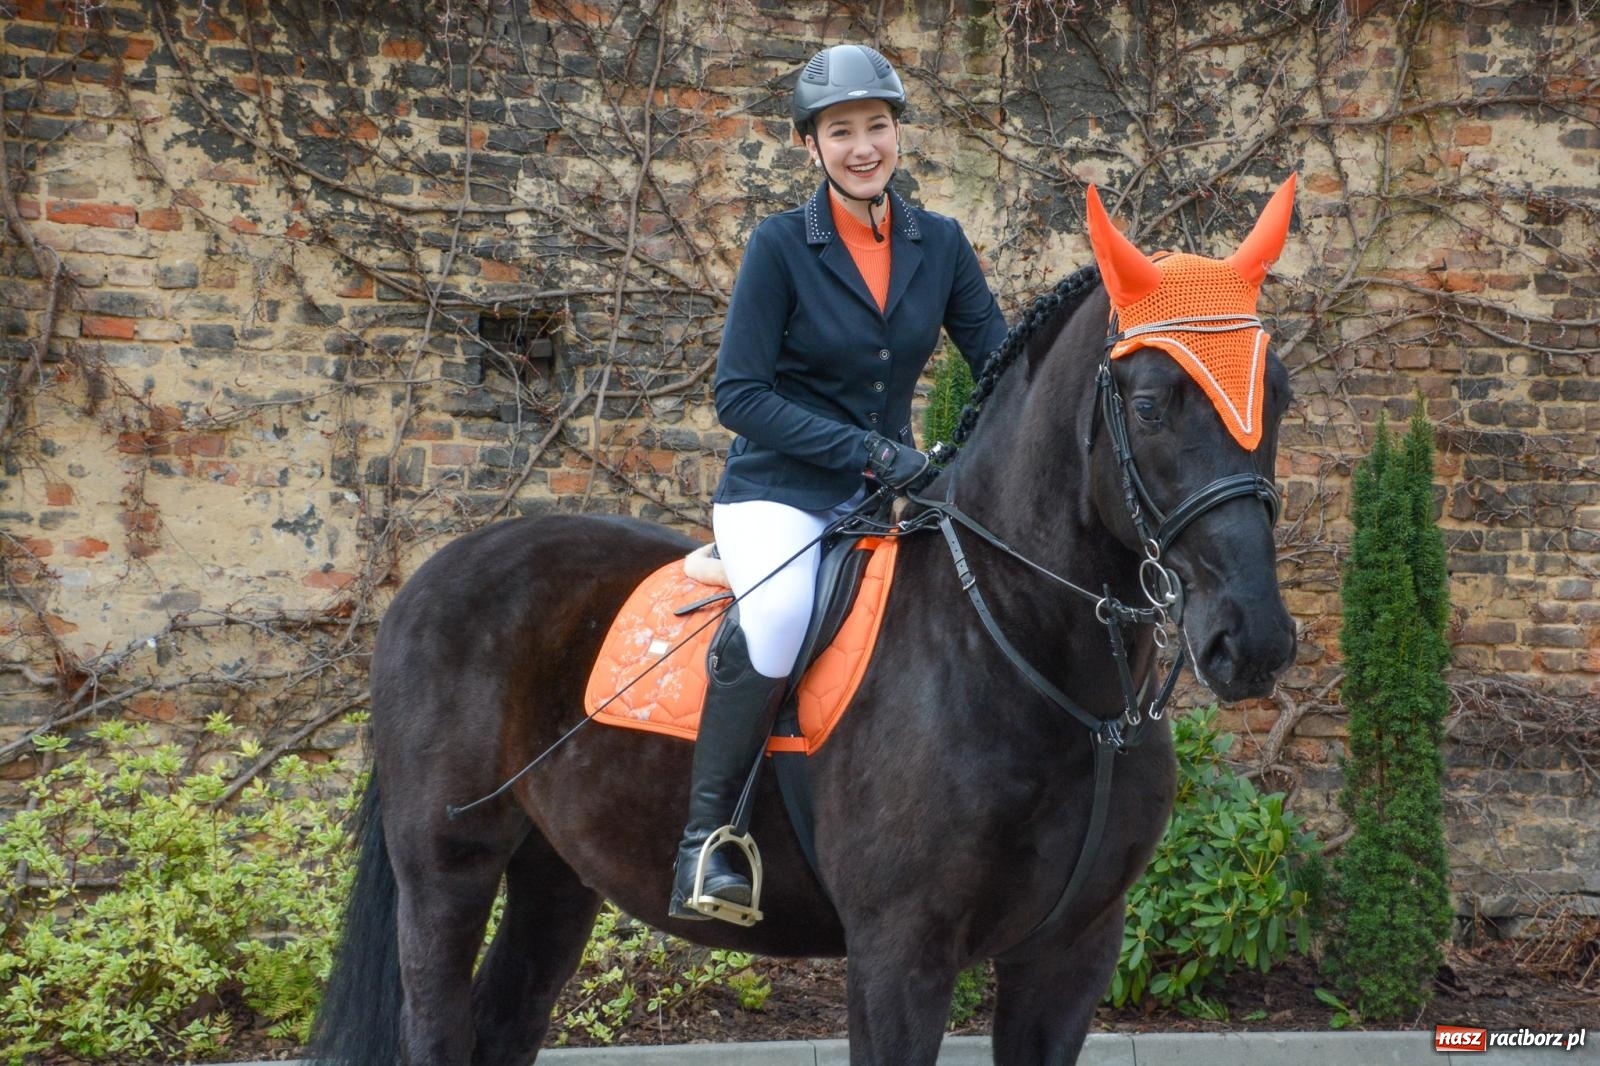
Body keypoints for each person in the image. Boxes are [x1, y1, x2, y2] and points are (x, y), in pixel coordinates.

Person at [669, 43, 1009, 922]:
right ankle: (708, 842)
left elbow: (1003, 367)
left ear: (898, 134)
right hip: (777, 493)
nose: (864, 147)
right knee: (778, 621)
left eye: (878, 126)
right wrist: (875, 451)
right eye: (841, 132)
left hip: (879, 502)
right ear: (810, 147)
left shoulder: (941, 244)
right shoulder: (781, 246)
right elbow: (737, 395)